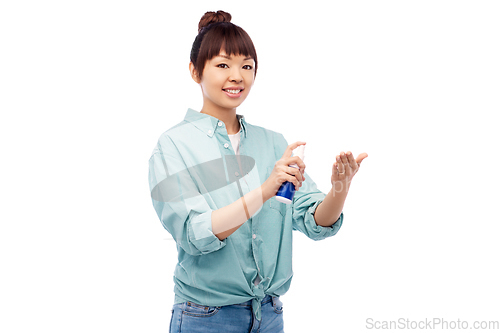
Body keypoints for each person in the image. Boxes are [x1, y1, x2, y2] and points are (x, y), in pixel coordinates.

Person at [148, 10, 368, 333]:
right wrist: (265, 190)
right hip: (205, 318)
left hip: (269, 315)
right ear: (195, 71)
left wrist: (340, 188)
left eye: (246, 66)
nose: (237, 76)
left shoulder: (273, 143)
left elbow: (313, 219)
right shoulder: (173, 147)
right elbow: (195, 233)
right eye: (223, 65)